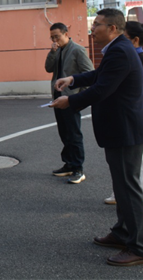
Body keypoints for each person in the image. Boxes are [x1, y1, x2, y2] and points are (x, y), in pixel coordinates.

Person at [51, 9, 143, 267]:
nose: (92, 29)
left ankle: (139, 248)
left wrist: (70, 101)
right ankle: (122, 233)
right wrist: (73, 78)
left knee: (128, 189)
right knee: (122, 187)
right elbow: (99, 76)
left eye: (97, 24)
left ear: (113, 28)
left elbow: (102, 89)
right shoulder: (117, 48)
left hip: (124, 130)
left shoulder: (119, 50)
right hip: (120, 129)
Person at [105, 21, 143, 210]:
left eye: (124, 37)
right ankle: (121, 194)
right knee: (122, 160)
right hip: (126, 114)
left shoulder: (141, 60)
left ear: (135, 40)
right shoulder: (128, 57)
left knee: (138, 160)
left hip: (137, 115)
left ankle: (142, 197)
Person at [45, 22, 94, 184]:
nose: (54, 40)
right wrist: (52, 52)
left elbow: (89, 74)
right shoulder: (57, 50)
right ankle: (68, 164)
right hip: (58, 96)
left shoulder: (77, 50)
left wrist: (80, 97)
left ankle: (78, 168)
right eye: (52, 37)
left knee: (74, 133)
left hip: (71, 98)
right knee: (64, 132)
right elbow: (48, 68)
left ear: (66, 34)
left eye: (57, 36)